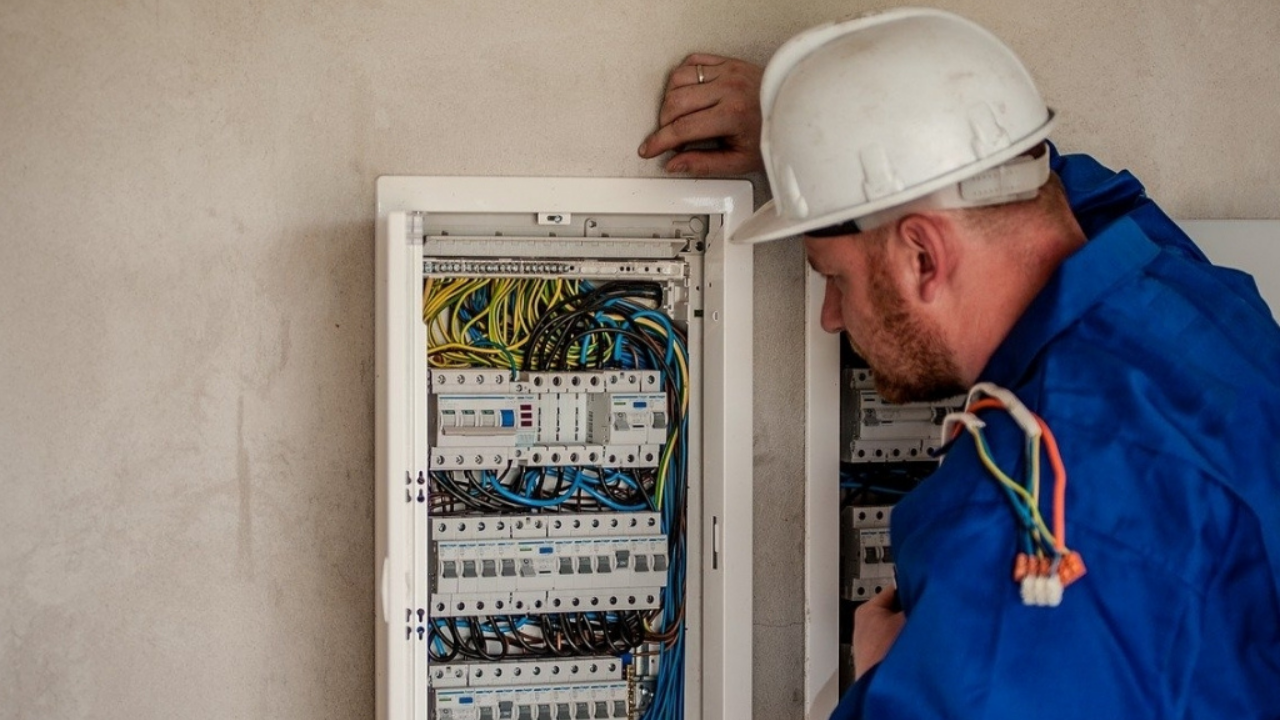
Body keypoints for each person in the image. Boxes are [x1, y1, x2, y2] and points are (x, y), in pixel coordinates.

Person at [640, 8, 1280, 719]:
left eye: (833, 276)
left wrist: (889, 678)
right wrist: (821, 142)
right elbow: (1052, 185)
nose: (830, 316)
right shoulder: (1193, 300)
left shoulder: (1019, 526)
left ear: (922, 257)